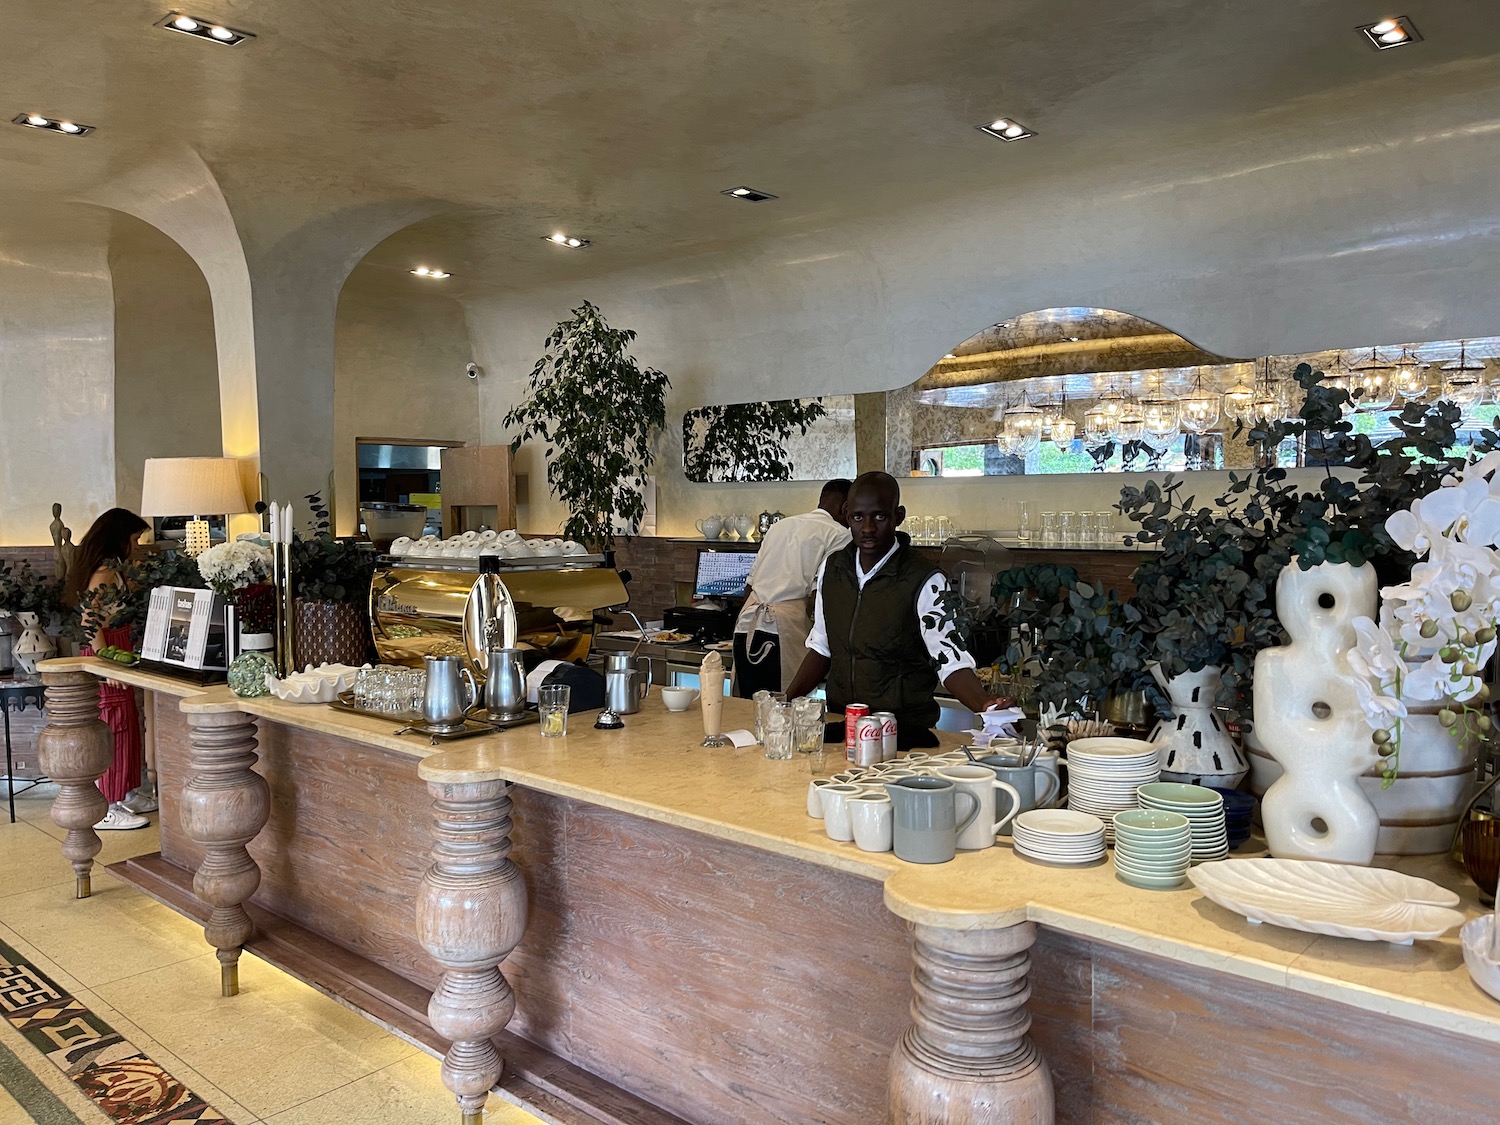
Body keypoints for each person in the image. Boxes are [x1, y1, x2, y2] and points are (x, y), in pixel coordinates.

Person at [784, 471, 995, 748]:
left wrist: (985, 705)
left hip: (903, 733)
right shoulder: (833, 568)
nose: (868, 528)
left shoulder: (925, 579)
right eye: (859, 517)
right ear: (846, 515)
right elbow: (822, 645)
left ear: (898, 516)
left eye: (880, 517)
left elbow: (949, 658)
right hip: (844, 725)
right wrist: (786, 703)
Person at [63, 507, 152, 830]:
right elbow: (90, 622)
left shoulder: (114, 570)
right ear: (119, 538)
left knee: (128, 723)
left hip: (119, 647)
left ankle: (126, 792)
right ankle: (107, 805)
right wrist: (107, 664)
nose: (138, 545)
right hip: (108, 652)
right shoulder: (102, 573)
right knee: (115, 728)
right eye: (135, 538)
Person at [732, 479, 851, 698]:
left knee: (749, 711)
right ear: (846, 508)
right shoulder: (840, 535)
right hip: (785, 635)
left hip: (746, 628)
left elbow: (749, 587)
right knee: (784, 715)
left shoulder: (780, 526)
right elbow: (819, 599)